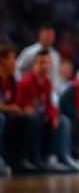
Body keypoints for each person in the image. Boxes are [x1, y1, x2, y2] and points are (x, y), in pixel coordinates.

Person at [15, 50, 79, 172]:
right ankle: (36, 158)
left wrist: (53, 116)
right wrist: (28, 109)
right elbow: (20, 105)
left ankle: (61, 157)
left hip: (41, 115)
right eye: (41, 63)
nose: (45, 66)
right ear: (34, 65)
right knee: (35, 118)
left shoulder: (47, 82)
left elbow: (49, 105)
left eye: (47, 63)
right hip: (27, 118)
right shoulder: (25, 82)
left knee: (63, 120)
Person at [15, 24, 63, 93]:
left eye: (52, 35)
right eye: (47, 35)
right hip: (31, 90)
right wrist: (21, 85)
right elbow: (17, 68)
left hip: (50, 92)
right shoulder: (30, 52)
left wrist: (58, 91)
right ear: (40, 35)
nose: (49, 38)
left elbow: (56, 76)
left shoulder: (56, 55)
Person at [0, 44, 20, 176]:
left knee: (25, 119)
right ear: (2, 60)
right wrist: (11, 108)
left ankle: (19, 159)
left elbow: (15, 101)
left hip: (6, 113)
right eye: (12, 58)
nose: (15, 62)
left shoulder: (11, 79)